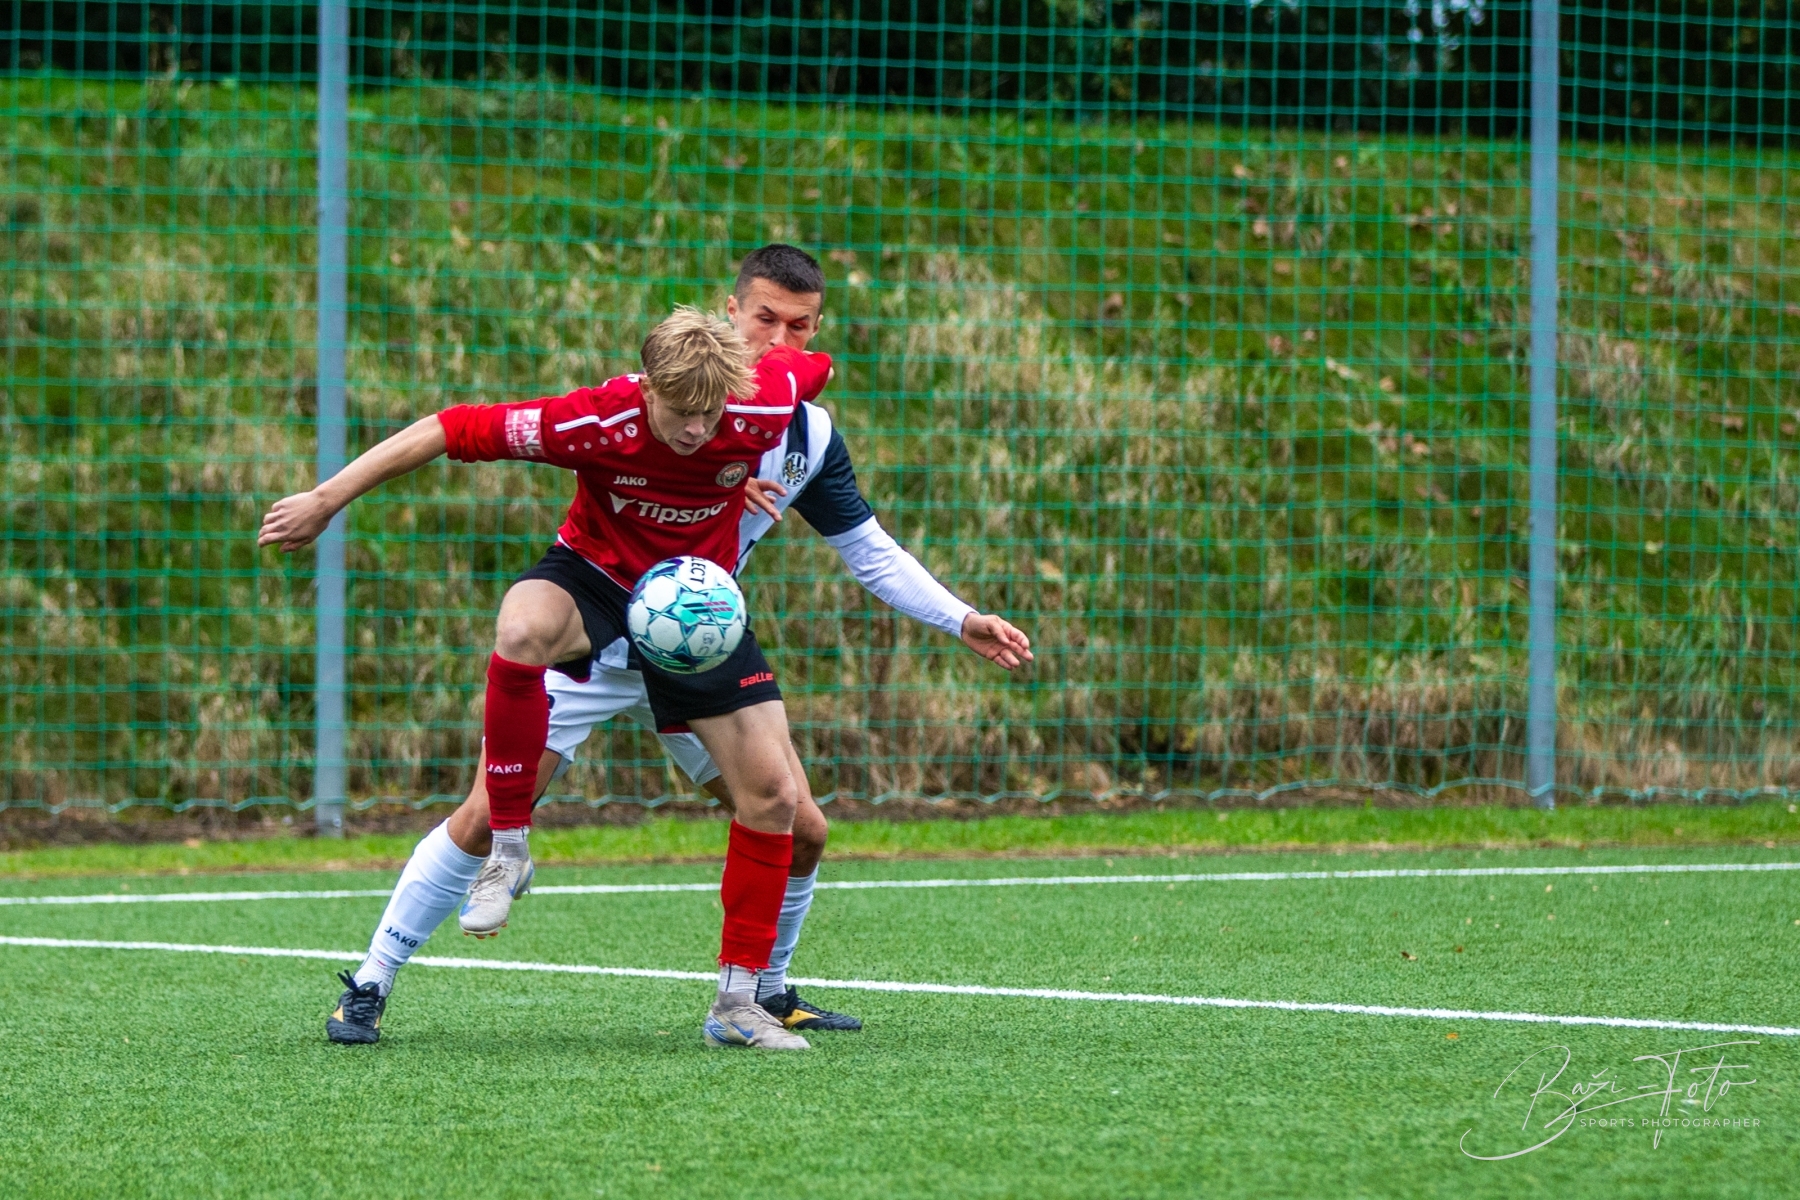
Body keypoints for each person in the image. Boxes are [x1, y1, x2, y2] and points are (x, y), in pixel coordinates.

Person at [323, 244, 1034, 1047]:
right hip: (598, 632)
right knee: (486, 815)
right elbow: (465, 428)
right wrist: (326, 497)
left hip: (695, 639)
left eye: (800, 326)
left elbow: (867, 548)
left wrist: (958, 617)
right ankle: (371, 981)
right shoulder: (644, 405)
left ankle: (761, 993)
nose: (779, 340)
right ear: (730, 314)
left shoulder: (800, 429)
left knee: (799, 824)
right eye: (764, 319)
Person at [261, 307, 831, 1050]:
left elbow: (811, 364)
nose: (697, 430)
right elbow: (449, 428)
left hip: (693, 619)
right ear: (646, 388)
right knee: (518, 641)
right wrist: (326, 499)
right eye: (681, 412)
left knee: (782, 805)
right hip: (595, 593)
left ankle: (740, 1002)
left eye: (710, 413)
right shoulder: (595, 421)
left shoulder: (764, 397)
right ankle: (389, 964)